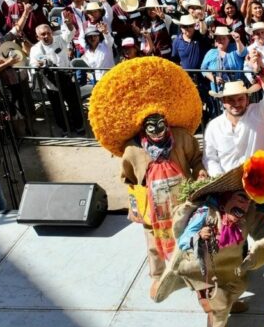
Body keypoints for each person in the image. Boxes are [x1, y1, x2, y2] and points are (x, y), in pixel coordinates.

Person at [88, 57, 205, 296]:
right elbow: (129, 180)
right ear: (143, 127)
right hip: (153, 206)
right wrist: (135, 206)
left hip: (182, 200)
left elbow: (195, 160)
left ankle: (192, 274)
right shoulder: (132, 150)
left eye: (160, 123)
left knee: (189, 235)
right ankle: (159, 276)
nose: (157, 128)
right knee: (154, 244)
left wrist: (200, 173)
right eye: (150, 125)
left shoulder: (182, 138)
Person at [162, 166, 264, 327]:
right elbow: (182, 241)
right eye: (241, 199)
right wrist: (198, 236)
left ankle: (232, 302)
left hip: (231, 269)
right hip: (205, 269)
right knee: (220, 302)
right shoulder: (205, 213)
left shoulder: (247, 214)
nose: (245, 206)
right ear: (226, 198)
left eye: (249, 201)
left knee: (240, 285)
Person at [202, 53, 264, 177]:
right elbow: (209, 158)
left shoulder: (258, 113)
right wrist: (223, 180)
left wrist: (260, 71)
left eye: (240, 99)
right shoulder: (214, 126)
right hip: (227, 187)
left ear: (247, 99)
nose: (236, 103)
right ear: (223, 101)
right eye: (231, 100)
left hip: (258, 181)